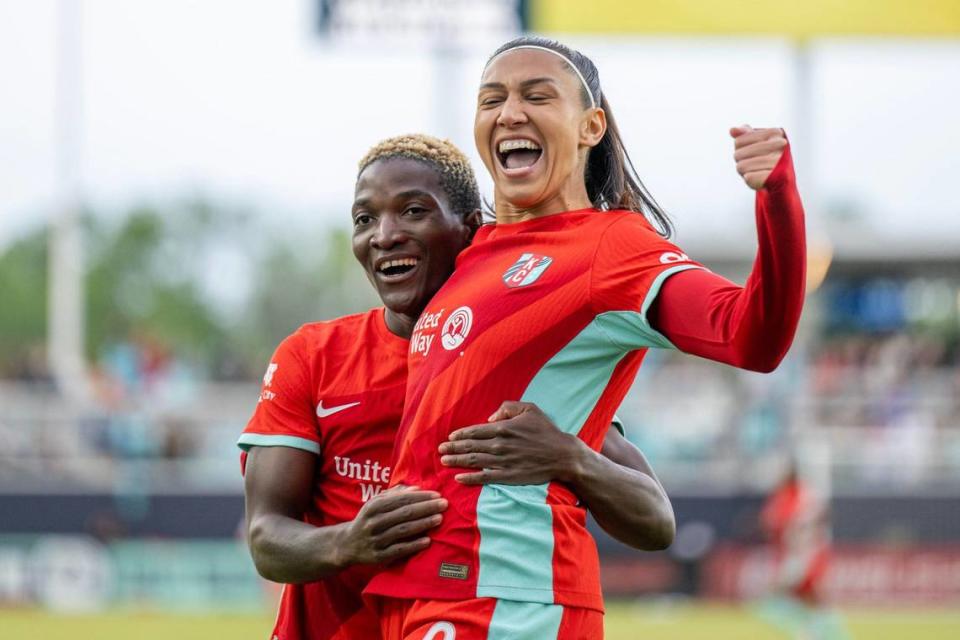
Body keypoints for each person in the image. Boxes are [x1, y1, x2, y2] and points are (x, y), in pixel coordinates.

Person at [365, 36, 806, 639]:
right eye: (491, 98)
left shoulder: (612, 248)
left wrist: (777, 199)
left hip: (510, 594)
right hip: (423, 590)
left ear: (590, 126)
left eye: (536, 95)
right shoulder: (468, 258)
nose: (509, 112)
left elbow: (753, 338)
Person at [239, 134, 675, 640]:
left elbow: (657, 522)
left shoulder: (520, 367)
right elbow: (266, 536)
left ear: (470, 230)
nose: (384, 235)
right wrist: (349, 543)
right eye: (365, 219)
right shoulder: (313, 356)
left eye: (413, 211)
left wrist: (572, 459)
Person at [757, 464, 849, 640]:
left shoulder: (801, 496)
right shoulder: (792, 496)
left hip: (803, 553)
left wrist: (801, 534)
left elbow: (786, 521)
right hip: (797, 552)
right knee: (805, 596)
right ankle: (821, 631)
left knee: (782, 593)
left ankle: (817, 632)